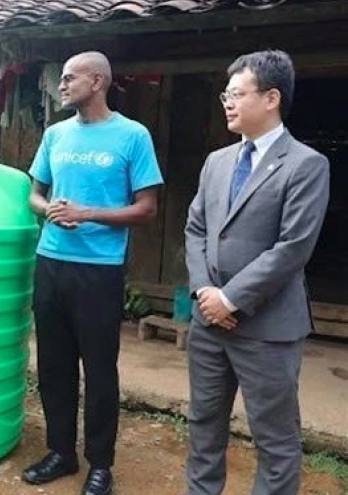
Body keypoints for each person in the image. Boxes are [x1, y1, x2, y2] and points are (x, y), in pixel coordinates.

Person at [184, 50, 330, 495]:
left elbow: (293, 247)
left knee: (275, 438)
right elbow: (196, 228)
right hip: (209, 324)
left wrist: (231, 298)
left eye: (236, 94)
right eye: (225, 94)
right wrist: (206, 292)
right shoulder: (217, 161)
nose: (226, 102)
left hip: (267, 328)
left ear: (271, 98)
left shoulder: (306, 164)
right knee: (204, 424)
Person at [22, 51, 163, 495]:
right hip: (51, 263)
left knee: (100, 370)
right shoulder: (55, 134)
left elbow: (147, 208)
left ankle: (100, 464)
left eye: (69, 78)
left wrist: (89, 214)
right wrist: (51, 212)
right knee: (53, 365)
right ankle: (61, 453)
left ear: (97, 81)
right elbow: (35, 194)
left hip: (99, 270)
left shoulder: (132, 136)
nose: (60, 86)